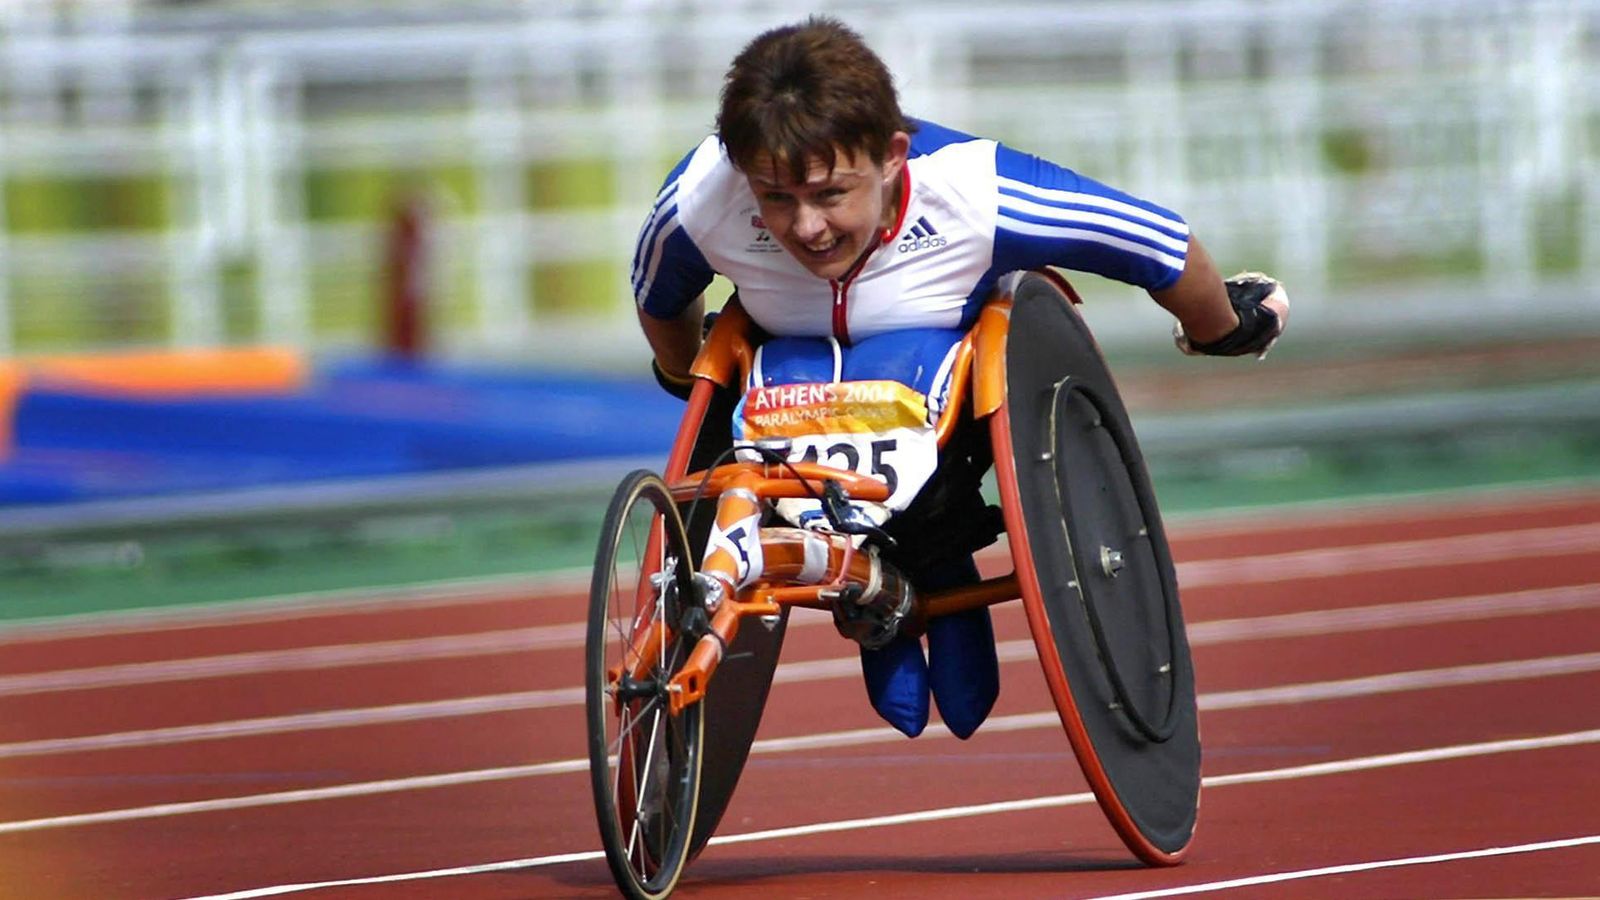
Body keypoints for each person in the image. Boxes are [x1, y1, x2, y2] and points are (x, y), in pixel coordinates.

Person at [631, 16, 1288, 740]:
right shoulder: (703, 196)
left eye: (829, 194)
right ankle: (872, 575)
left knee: (943, 450)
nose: (807, 227)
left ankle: (934, 547)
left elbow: (1155, 242)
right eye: (776, 199)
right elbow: (660, 298)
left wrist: (1219, 325)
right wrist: (682, 374)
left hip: (943, 410)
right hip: (784, 404)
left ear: (892, 157)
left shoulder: (973, 189)